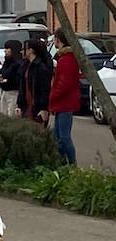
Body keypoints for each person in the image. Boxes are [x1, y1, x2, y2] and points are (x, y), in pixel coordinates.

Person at [48, 29, 79, 165]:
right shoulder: (65, 58)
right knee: (57, 137)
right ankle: (60, 163)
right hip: (62, 104)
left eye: (54, 39)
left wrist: (53, 97)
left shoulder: (66, 59)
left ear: (58, 40)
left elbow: (63, 83)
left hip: (64, 103)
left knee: (64, 137)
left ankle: (72, 164)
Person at [19, 39, 53, 123]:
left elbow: (44, 89)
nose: (21, 51)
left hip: (36, 108)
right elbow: (22, 87)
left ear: (30, 50)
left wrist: (43, 108)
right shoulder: (25, 65)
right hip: (26, 107)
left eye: (24, 49)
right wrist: (19, 105)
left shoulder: (40, 67)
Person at [0, 40, 24, 118]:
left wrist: (4, 80)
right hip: (4, 92)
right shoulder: (7, 62)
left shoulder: (19, 63)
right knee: (3, 115)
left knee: (12, 116)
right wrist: (1, 80)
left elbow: (15, 79)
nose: (5, 50)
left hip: (14, 93)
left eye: (7, 48)